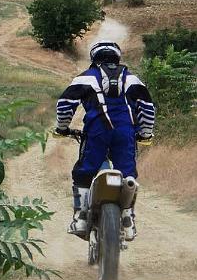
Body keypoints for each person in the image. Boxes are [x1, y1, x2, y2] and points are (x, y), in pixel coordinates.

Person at [54, 40, 155, 241]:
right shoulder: (133, 79)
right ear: (117, 57)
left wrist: (62, 128)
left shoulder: (86, 78)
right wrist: (145, 133)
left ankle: (81, 217)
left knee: (84, 172)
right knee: (128, 175)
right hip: (125, 133)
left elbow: (65, 104)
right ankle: (127, 219)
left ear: (94, 58)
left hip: (96, 132)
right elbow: (147, 107)